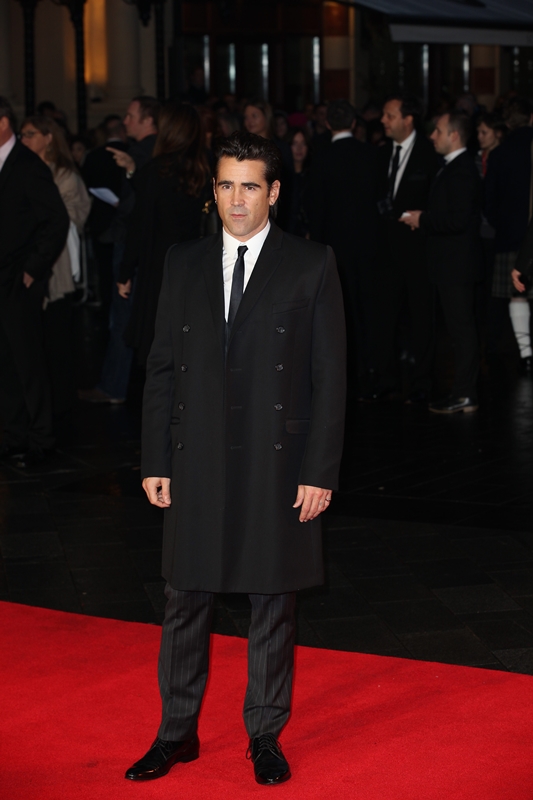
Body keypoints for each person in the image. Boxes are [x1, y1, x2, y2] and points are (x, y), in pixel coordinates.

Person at [126, 131, 346, 786]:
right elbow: (161, 366)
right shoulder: (183, 261)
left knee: (272, 600)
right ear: (213, 190)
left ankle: (265, 734)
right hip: (195, 456)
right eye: (226, 185)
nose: (237, 200)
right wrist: (154, 457)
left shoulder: (311, 263)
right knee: (184, 598)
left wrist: (319, 471)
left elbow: (330, 377)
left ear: (273, 191)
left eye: (250, 186)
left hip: (275, 461)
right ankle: (175, 733)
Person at [0, 97, 69, 466]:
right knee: (5, 362)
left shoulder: (27, 165)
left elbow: (56, 220)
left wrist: (32, 268)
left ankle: (42, 438)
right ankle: (13, 435)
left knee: (28, 361)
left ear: (3, 123)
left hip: (19, 280)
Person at [116, 102, 211, 367]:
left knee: (161, 347)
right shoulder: (208, 167)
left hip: (162, 265)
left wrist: (125, 272)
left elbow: (139, 225)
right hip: (202, 263)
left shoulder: (157, 170)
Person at [401, 110, 482, 413]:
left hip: (457, 266)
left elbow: (458, 220)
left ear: (454, 135)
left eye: (438, 131)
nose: (432, 136)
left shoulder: (461, 170)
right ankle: (463, 392)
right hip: (451, 265)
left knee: (462, 331)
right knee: (460, 330)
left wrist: (423, 219)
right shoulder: (453, 166)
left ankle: (465, 394)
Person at [367, 93, 440, 404]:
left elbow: (437, 201)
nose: (383, 120)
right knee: (385, 318)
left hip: (419, 251)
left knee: (422, 318)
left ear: (408, 120)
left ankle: (423, 382)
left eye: (390, 115)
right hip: (385, 251)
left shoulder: (429, 153)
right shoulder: (382, 153)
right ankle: (387, 381)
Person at [20, 115, 91, 420]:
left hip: (57, 264)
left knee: (57, 337)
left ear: (48, 138)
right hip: (27, 261)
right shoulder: (21, 169)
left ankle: (60, 401)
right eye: (22, 134)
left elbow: (75, 215)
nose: (24, 139)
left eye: (30, 134)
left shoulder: (64, 175)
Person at [305, 99, 377, 390]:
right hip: (369, 245)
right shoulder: (370, 154)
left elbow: (316, 208)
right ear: (354, 123)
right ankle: (370, 368)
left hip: (333, 246)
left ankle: (347, 372)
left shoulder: (321, 157)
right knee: (367, 306)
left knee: (339, 310)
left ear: (327, 124)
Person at [485, 97, 533, 371]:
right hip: (525, 231)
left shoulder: (501, 153)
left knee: (517, 294)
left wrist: (501, 224)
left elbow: (489, 201)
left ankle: (526, 354)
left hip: (510, 233)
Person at [286, 126, 311, 237]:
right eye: (295, 143)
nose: (299, 148)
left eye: (303, 143)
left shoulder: (313, 177)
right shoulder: (282, 177)